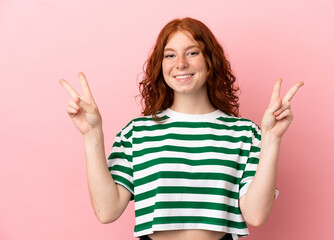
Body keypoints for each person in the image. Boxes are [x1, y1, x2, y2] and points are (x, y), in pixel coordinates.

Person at [60, 17, 303, 240]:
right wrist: (92, 134)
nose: (181, 64)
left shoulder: (245, 133)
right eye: (170, 55)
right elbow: (107, 210)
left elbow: (256, 215)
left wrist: (272, 139)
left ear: (210, 61)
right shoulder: (137, 133)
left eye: (192, 52)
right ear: (160, 64)